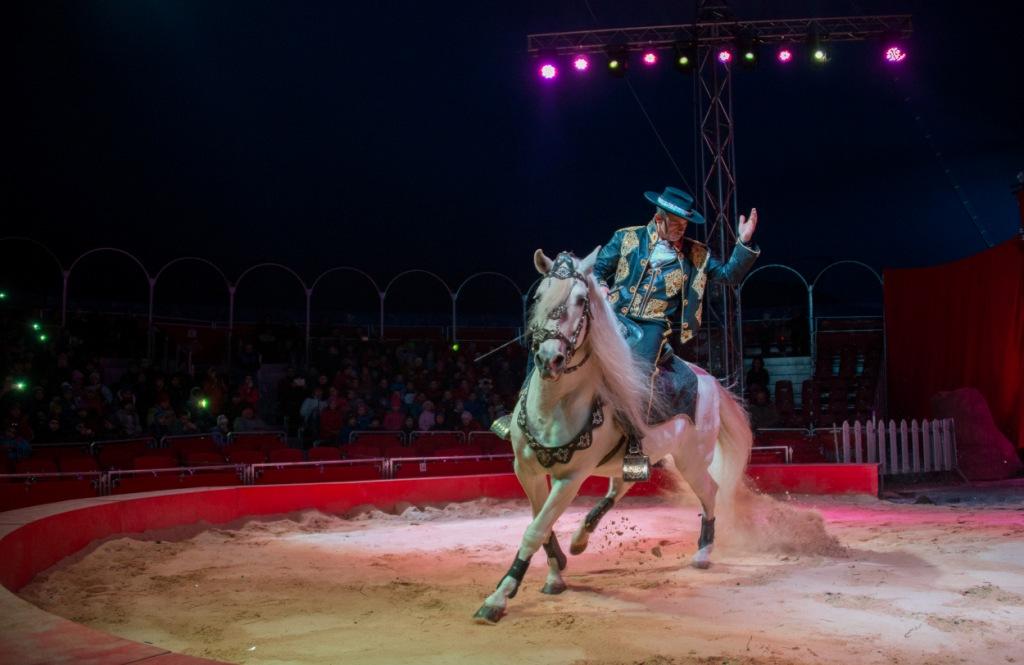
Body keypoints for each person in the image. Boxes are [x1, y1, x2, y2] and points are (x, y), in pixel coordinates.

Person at [493, 186, 761, 478]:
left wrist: (743, 243)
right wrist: (602, 287)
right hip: (613, 315)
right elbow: (600, 268)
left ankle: (634, 444)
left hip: (652, 325)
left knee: (638, 376)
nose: (681, 229)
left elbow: (728, 275)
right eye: (675, 223)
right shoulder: (627, 237)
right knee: (551, 336)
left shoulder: (696, 254)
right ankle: (517, 411)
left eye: (684, 224)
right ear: (658, 218)